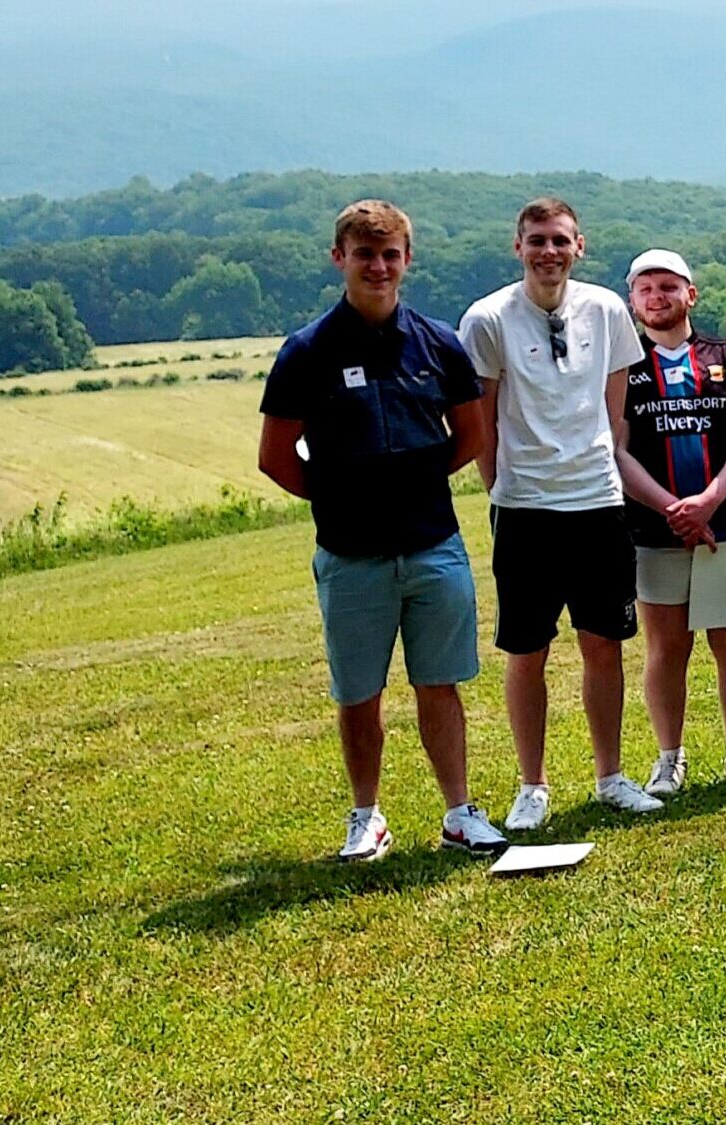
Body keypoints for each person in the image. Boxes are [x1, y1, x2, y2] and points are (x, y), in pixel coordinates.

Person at [258, 200, 506, 861]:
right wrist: (342, 498)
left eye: (390, 254)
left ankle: (459, 813)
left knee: (440, 684)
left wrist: (414, 485)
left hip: (434, 546)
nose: (378, 266)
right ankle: (366, 817)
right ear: (339, 259)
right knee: (359, 693)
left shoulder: (438, 345)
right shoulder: (307, 353)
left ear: (407, 261)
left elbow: (473, 434)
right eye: (364, 254)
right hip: (351, 555)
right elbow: (275, 457)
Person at [459, 196, 661, 827]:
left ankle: (611, 776)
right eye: (537, 240)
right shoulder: (488, 318)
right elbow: (481, 419)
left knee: (605, 645)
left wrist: (604, 472)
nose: (549, 251)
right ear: (517, 247)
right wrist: (501, 488)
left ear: (581, 247)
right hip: (524, 510)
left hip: (597, 503)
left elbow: (614, 412)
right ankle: (532, 786)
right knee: (528, 651)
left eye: (560, 240)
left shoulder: (605, 311)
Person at [613, 249, 726, 797]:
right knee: (666, 648)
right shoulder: (622, 364)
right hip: (654, 532)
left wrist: (708, 499)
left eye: (667, 287)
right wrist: (672, 509)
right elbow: (618, 449)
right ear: (632, 300)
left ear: (691, 294)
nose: (657, 298)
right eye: (645, 289)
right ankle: (668, 758)